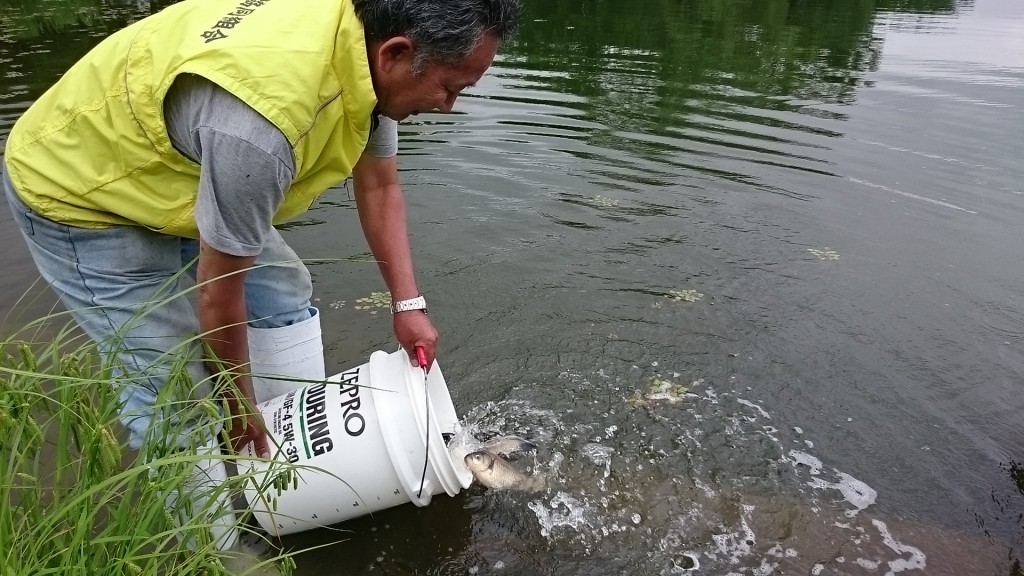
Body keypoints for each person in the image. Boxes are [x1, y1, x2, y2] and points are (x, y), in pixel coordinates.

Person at [2, 0, 519, 558]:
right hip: (86, 189)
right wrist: (236, 400)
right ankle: (221, 552)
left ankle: (288, 476)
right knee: (174, 393)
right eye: (449, 88)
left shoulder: (369, 58)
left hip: (186, 168)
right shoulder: (262, 127)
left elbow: (379, 187)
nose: (448, 106)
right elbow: (218, 296)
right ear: (397, 54)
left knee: (284, 297)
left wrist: (407, 303)